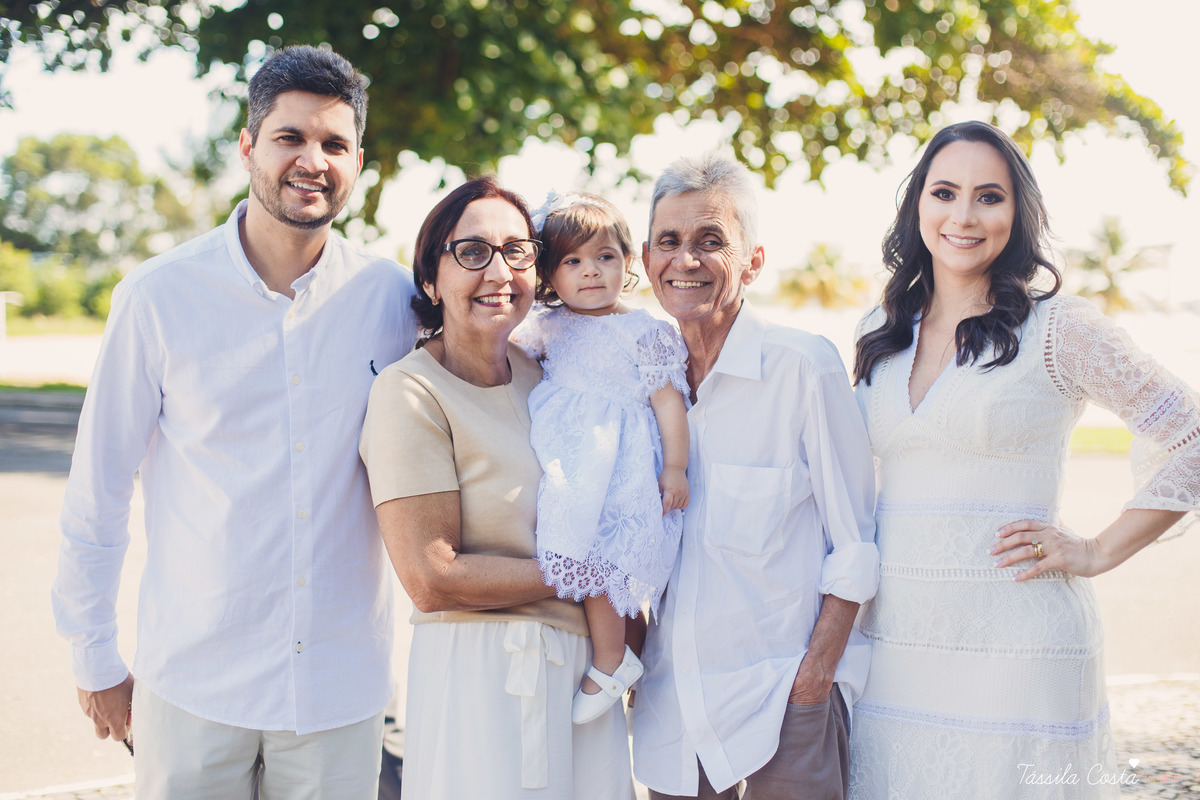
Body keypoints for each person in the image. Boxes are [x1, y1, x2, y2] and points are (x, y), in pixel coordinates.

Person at [51, 45, 417, 798]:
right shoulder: (157, 296)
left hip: (337, 692)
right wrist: (94, 657)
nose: (312, 160)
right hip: (192, 685)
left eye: (335, 144)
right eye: (290, 137)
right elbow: (98, 491)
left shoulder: (393, 302)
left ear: (357, 162)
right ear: (249, 145)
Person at [848, 120, 1199, 798]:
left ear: (1019, 213)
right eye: (945, 192)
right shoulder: (879, 332)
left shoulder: (1059, 330)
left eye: (989, 197)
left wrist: (1096, 551)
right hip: (896, 647)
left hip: (1022, 647)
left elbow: (1192, 439)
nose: (963, 215)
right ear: (917, 202)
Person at [358, 177, 633, 799]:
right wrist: (589, 575)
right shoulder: (410, 392)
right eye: (473, 252)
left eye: (518, 251)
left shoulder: (556, 377)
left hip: (585, 676)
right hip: (477, 672)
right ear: (431, 279)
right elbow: (433, 577)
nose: (499, 271)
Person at [631, 152, 880, 800]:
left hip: (781, 706)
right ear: (646, 258)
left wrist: (813, 679)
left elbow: (856, 543)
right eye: (669, 241)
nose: (685, 260)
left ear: (753, 260)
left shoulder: (803, 368)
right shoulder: (638, 383)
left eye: (710, 241)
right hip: (672, 710)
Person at [512, 192, 690, 724]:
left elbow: (668, 402)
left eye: (604, 257)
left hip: (619, 465)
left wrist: (675, 467)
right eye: (572, 261)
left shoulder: (643, 331)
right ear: (550, 272)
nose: (590, 272)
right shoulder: (548, 326)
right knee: (586, 553)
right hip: (569, 461)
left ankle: (611, 661)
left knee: (604, 559)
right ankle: (627, 655)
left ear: (627, 262)